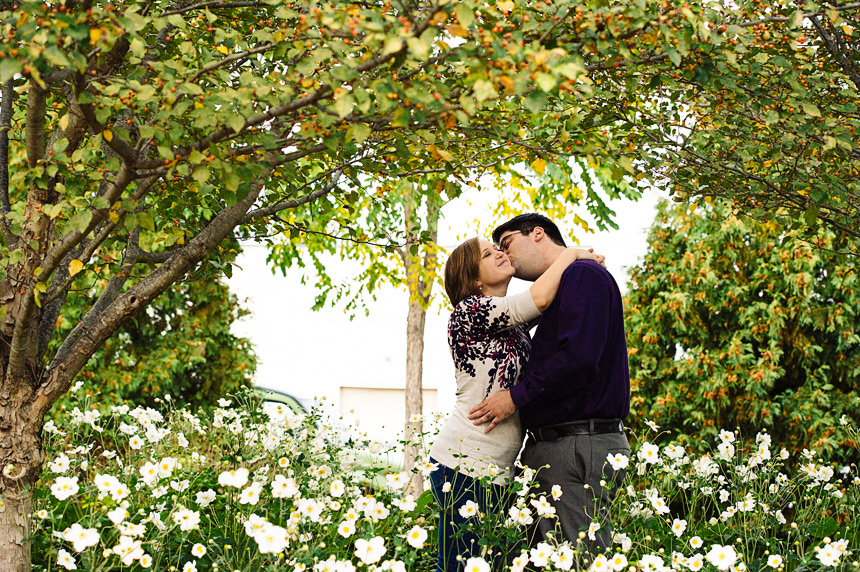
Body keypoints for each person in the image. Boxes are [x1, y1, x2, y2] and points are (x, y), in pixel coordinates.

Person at [429, 236, 602, 572]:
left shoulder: (513, 325)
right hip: (464, 464)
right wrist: (572, 254)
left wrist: (579, 268)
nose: (500, 253)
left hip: (495, 470)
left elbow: (551, 301)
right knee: (457, 567)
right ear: (475, 278)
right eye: (488, 253)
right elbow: (538, 297)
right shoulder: (469, 312)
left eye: (499, 248)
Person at [467, 213, 631, 558]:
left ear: (537, 234)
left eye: (507, 243)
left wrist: (514, 397)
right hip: (561, 445)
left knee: (580, 560)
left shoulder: (583, 276)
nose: (503, 254)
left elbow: (580, 357)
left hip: (575, 444)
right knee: (547, 560)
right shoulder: (565, 284)